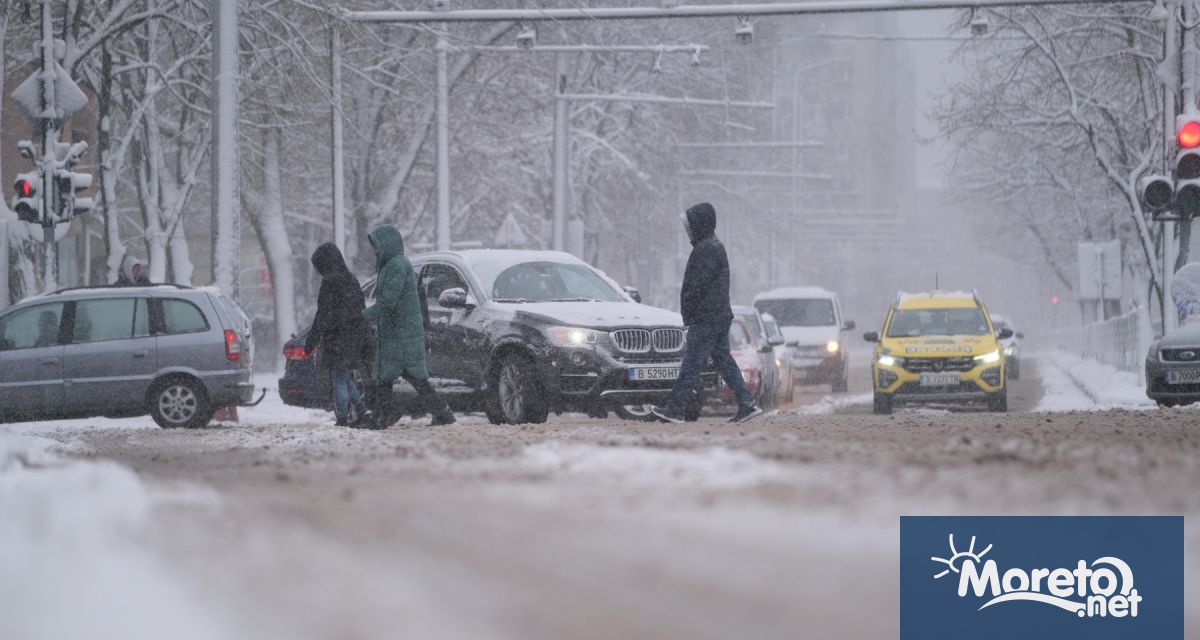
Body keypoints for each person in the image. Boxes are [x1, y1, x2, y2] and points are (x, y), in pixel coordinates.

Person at [652, 202, 762, 424]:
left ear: (700, 224)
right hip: (717, 316)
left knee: (691, 364)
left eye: (690, 225)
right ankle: (747, 403)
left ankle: (674, 409)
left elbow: (698, 285)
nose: (688, 230)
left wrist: (690, 307)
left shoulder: (706, 249)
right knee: (724, 362)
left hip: (706, 317)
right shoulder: (713, 246)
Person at [362, 225, 455, 427]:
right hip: (399, 333)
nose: (373, 250)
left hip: (401, 335)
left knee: (392, 376)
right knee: (406, 376)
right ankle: (442, 412)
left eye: (375, 245)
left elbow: (388, 302)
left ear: (385, 244)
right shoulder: (393, 265)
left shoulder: (396, 266)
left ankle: (382, 417)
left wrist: (363, 316)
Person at [307, 243, 373, 428]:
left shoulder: (329, 282)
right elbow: (360, 310)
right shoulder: (351, 279)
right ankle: (362, 410)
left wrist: (312, 339)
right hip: (353, 337)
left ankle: (342, 418)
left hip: (336, 338)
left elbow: (323, 314)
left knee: (338, 377)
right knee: (343, 376)